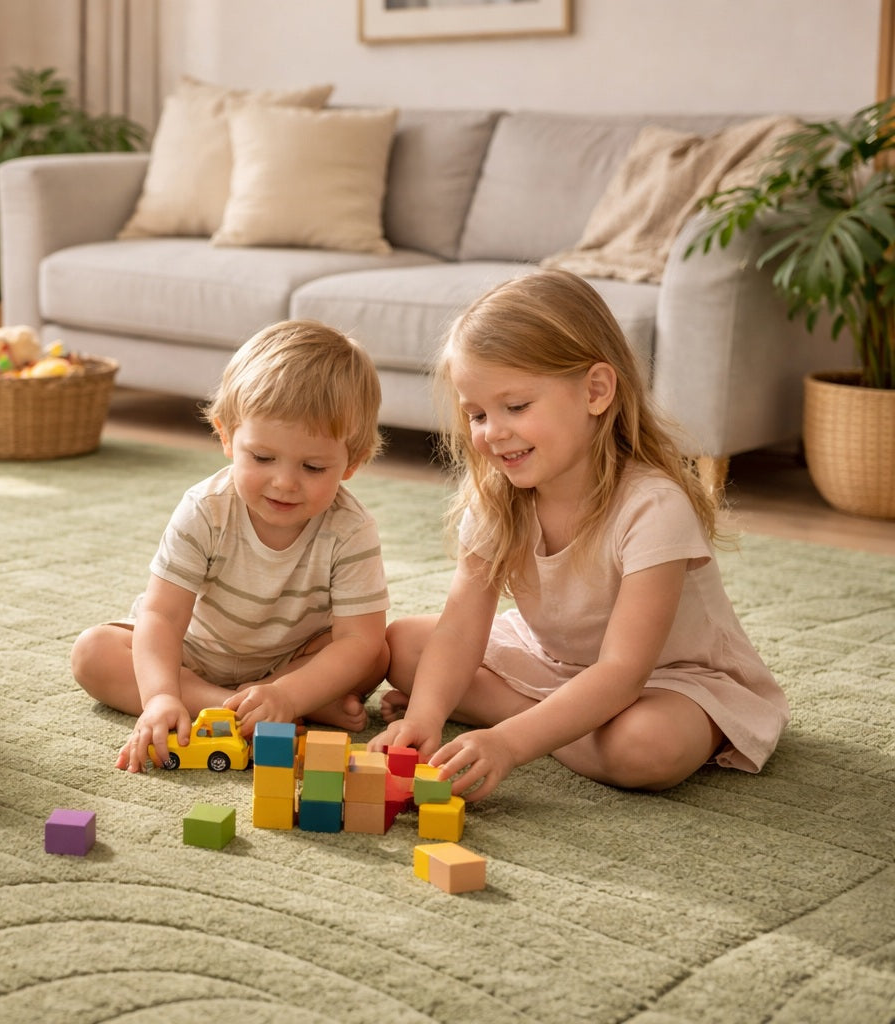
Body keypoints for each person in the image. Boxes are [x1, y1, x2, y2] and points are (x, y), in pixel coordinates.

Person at [369, 269, 788, 801]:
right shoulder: (498, 498)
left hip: (665, 679)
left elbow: (622, 673)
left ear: (595, 391)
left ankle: (533, 720)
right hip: (556, 664)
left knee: (647, 748)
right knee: (404, 645)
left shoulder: (653, 507)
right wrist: (425, 718)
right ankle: (557, 721)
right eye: (476, 414)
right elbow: (458, 630)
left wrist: (508, 742)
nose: (492, 432)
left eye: (516, 406)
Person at [72, 320, 393, 773]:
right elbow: (162, 615)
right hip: (195, 653)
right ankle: (236, 707)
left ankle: (279, 704)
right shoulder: (205, 509)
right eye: (262, 458)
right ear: (226, 436)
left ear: (352, 463)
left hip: (290, 659)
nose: (284, 482)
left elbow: (359, 642)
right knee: (93, 653)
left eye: (314, 467)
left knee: (376, 653)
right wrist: (161, 696)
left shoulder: (350, 529)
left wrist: (288, 691)